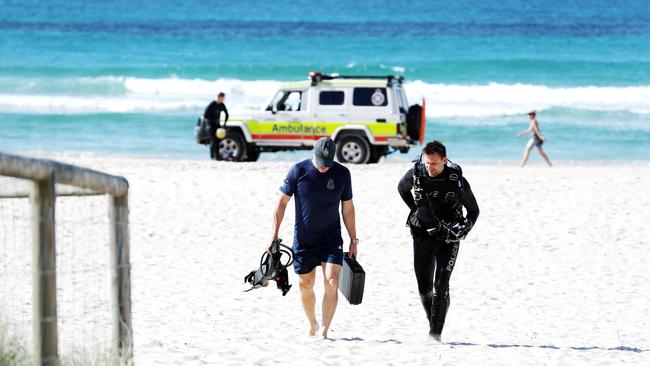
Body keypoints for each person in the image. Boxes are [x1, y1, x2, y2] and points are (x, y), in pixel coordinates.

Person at [269, 137, 358, 339]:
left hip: (331, 237)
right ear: (313, 153)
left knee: (332, 281)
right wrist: (274, 235)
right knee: (305, 284)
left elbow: (348, 209)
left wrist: (353, 239)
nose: (323, 167)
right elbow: (281, 204)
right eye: (320, 162)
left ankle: (326, 330)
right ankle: (312, 324)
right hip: (304, 239)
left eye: (327, 163)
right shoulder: (298, 171)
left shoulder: (343, 174)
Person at [397, 140, 479, 341]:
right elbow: (401, 189)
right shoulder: (416, 173)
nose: (429, 167)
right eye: (427, 163)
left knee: (441, 285)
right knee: (424, 288)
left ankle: (435, 334)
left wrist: (465, 227)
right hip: (422, 234)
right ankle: (433, 319)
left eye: (434, 164)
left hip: (448, 238)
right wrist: (416, 209)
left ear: (444, 160)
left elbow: (474, 210)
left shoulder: (456, 180)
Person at [203, 92, 229, 160]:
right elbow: (205, 115)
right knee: (213, 140)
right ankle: (213, 156)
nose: (223, 99)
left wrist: (224, 124)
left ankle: (216, 155)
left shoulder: (222, 105)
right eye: (222, 98)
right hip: (210, 125)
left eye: (224, 98)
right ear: (218, 97)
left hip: (218, 125)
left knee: (218, 140)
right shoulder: (212, 104)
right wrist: (210, 121)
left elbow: (226, 114)